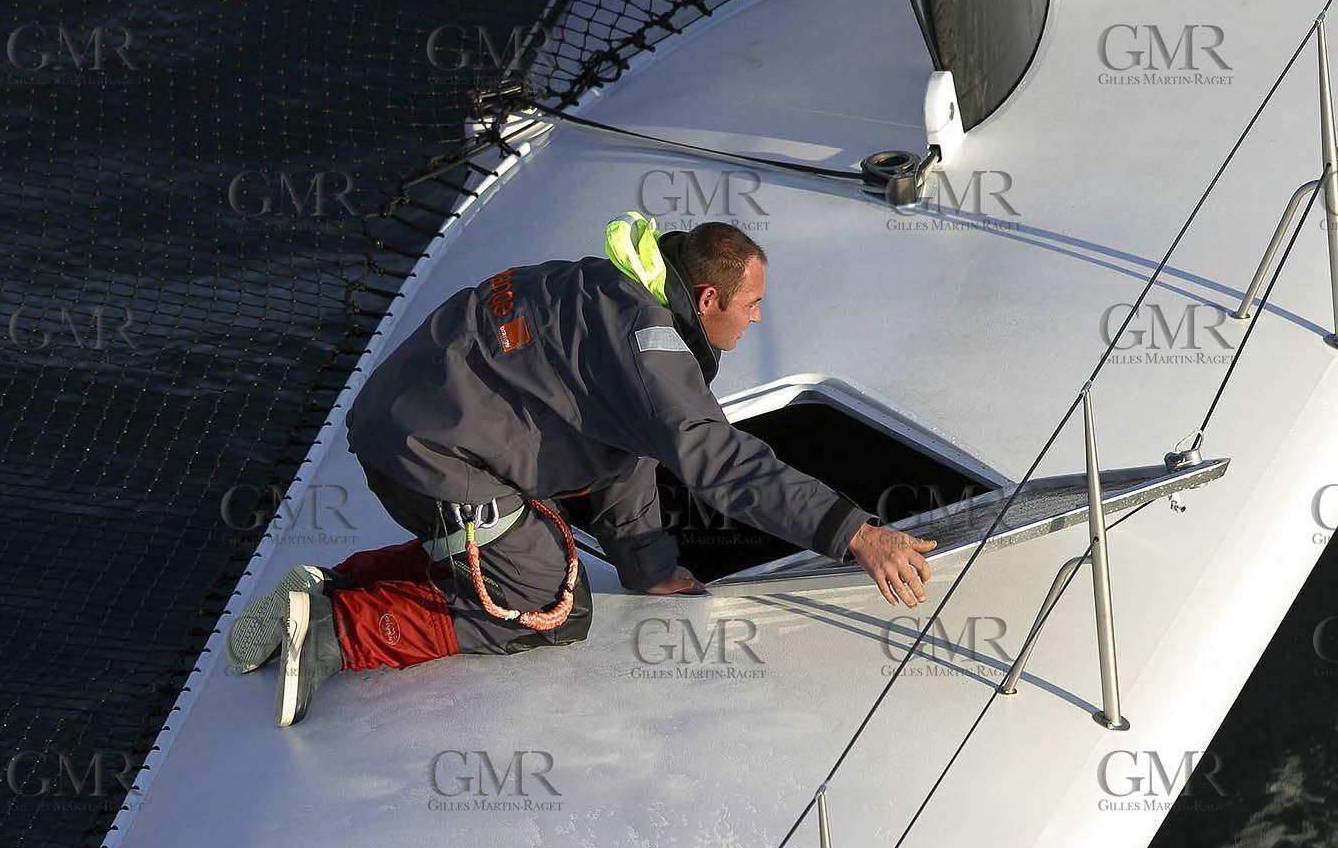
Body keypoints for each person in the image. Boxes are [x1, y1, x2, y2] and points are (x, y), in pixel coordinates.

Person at [228, 211, 936, 726]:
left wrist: (647, 569)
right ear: (708, 299)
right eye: (751, 304)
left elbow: (622, 448)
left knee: (526, 554)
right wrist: (856, 533)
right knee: (547, 604)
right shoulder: (653, 355)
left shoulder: (619, 288)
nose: (756, 319)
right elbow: (723, 464)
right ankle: (336, 629)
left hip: (418, 418)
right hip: (428, 454)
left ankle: (335, 582)